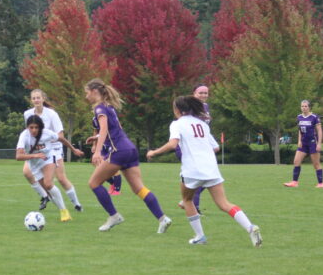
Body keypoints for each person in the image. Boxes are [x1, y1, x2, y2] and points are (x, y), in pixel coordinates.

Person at [147, 95, 262, 247]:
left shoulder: (177, 124)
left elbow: (173, 144)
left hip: (192, 170)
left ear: (178, 110)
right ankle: (250, 227)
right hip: (211, 168)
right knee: (224, 204)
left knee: (187, 200)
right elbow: (215, 147)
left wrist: (154, 152)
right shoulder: (203, 125)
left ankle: (200, 236)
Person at [84, 78, 172, 233]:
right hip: (129, 149)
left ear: (94, 91)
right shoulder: (109, 107)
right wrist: (96, 138)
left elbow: (104, 129)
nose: (86, 97)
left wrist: (97, 151)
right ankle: (162, 218)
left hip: (119, 151)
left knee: (94, 183)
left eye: (87, 93)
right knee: (139, 188)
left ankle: (114, 216)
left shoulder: (99, 108)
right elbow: (116, 129)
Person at [23, 89, 83, 211]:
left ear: (43, 99)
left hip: (54, 148)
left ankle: (76, 203)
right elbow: (29, 132)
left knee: (61, 178)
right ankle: (45, 196)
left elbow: (60, 135)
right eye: (34, 98)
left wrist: (47, 140)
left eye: (38, 97)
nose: (36, 100)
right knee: (27, 172)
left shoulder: (51, 114)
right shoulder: (27, 114)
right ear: (31, 100)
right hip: (37, 149)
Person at [16, 115, 84, 222]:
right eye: (31, 127)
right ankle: (62, 208)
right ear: (27, 127)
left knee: (48, 183)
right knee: (47, 190)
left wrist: (73, 149)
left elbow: (61, 139)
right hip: (34, 164)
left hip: (48, 158)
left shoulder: (46, 133)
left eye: (36, 127)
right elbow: (18, 156)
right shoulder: (24, 136)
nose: (33, 130)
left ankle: (64, 211)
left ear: (40, 127)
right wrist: (35, 155)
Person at [177, 84, 212, 212]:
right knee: (200, 177)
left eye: (206, 93)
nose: (203, 95)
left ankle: (186, 200)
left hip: (201, 147)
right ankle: (193, 207)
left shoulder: (206, 107)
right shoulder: (189, 108)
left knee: (209, 176)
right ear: (193, 94)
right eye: (200, 93)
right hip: (188, 148)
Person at [283, 100, 323, 188]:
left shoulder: (314, 117)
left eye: (306, 106)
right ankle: (294, 182)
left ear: (309, 107)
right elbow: (300, 131)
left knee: (316, 164)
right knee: (296, 161)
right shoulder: (299, 117)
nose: (304, 108)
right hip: (304, 143)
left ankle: (320, 183)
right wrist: (299, 141)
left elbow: (319, 130)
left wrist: (319, 143)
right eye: (302, 106)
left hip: (313, 143)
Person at [87, 111, 122, 196]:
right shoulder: (95, 118)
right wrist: (94, 145)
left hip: (113, 143)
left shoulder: (108, 116)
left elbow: (109, 130)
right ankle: (113, 184)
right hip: (102, 143)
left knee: (112, 166)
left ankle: (117, 190)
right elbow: (96, 131)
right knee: (96, 163)